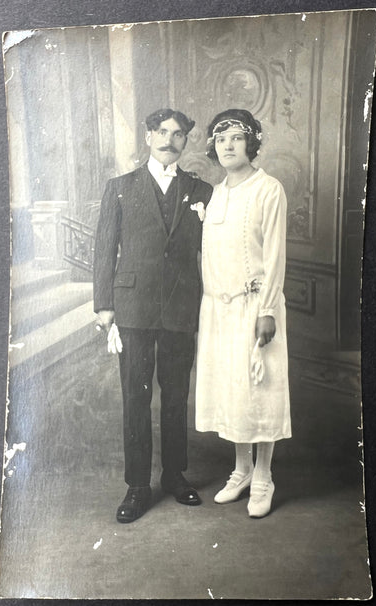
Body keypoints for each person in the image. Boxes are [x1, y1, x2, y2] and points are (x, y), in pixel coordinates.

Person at [93, 108, 213, 523]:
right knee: (135, 397)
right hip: (133, 308)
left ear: (186, 142)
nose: (169, 140)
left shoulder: (201, 190)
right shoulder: (120, 188)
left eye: (178, 134)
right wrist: (104, 305)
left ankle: (175, 476)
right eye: (162, 132)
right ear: (148, 137)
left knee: (177, 396)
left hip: (182, 307)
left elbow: (213, 251)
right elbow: (104, 249)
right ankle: (137, 486)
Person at [195, 108, 291, 518]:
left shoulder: (269, 189)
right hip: (219, 309)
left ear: (250, 142)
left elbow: (273, 255)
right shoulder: (216, 192)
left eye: (236, 138)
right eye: (221, 139)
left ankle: (265, 475)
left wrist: (266, 309)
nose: (228, 146)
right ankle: (242, 469)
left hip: (256, 307)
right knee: (234, 391)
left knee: (261, 389)